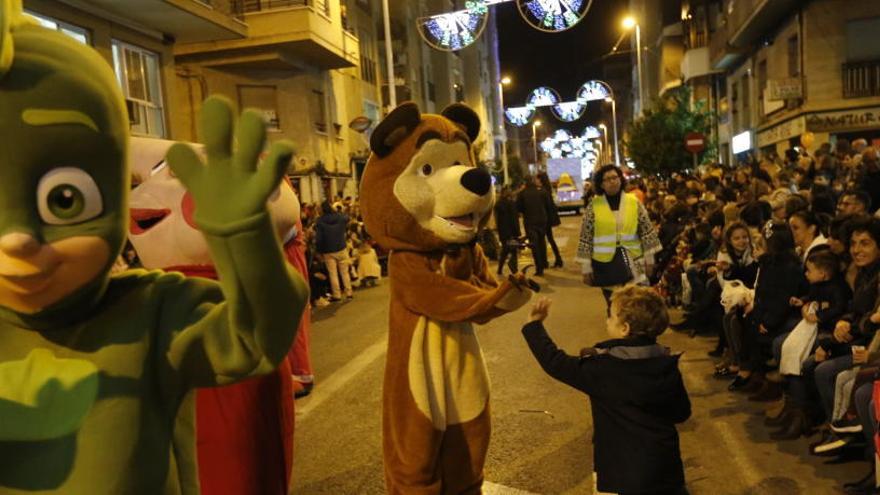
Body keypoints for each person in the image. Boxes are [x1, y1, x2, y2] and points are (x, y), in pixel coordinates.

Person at [521, 287, 691, 495]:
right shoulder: (665, 363)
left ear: (625, 328)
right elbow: (682, 413)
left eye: (610, 316)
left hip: (621, 475)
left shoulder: (604, 368)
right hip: (665, 470)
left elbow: (555, 362)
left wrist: (534, 325)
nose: (607, 320)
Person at [576, 165, 662, 310]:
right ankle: (617, 330)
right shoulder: (594, 206)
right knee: (614, 307)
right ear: (601, 184)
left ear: (621, 179)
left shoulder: (634, 202)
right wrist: (586, 268)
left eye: (615, 177)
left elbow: (646, 232)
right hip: (606, 266)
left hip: (634, 262)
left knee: (636, 305)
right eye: (607, 179)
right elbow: (586, 237)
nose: (612, 181)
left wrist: (650, 260)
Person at [314, 200, 353, 301]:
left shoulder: (320, 221)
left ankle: (337, 294)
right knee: (345, 272)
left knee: (333, 273)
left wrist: (319, 250)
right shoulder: (340, 217)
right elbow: (347, 218)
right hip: (341, 247)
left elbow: (319, 238)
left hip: (328, 250)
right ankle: (349, 292)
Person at [517, 176, 550, 276]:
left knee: (534, 245)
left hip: (530, 222)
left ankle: (539, 268)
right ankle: (544, 263)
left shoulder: (522, 194)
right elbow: (547, 205)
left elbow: (519, 208)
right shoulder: (541, 192)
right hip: (542, 220)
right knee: (542, 242)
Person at [537, 172, 564, 268]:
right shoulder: (547, 190)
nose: (536, 181)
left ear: (540, 180)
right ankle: (558, 259)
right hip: (548, 219)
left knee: (545, 240)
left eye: (537, 179)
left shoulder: (543, 191)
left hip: (545, 220)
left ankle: (548, 261)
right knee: (550, 239)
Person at [494, 186, 522, 275]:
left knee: (505, 250)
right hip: (511, 231)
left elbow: (497, 219)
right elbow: (514, 220)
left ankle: (501, 269)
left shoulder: (498, 204)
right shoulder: (511, 204)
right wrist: (517, 232)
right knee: (512, 250)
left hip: (503, 231)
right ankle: (514, 269)